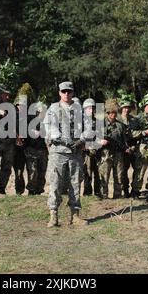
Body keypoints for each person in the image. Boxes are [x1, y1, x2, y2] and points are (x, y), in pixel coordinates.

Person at [44, 81, 87, 227]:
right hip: (58, 152)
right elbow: (48, 128)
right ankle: (53, 215)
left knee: (75, 183)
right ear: (59, 93)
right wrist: (62, 139)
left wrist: (81, 140)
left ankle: (75, 216)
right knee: (55, 183)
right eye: (64, 91)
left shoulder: (79, 109)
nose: (66, 94)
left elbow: (88, 127)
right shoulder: (53, 108)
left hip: (75, 152)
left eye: (69, 91)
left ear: (73, 92)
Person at [98, 99, 127, 199]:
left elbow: (124, 140)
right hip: (105, 153)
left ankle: (118, 195)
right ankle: (104, 195)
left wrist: (126, 148)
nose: (113, 114)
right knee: (104, 175)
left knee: (119, 175)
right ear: (107, 113)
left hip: (118, 153)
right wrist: (101, 141)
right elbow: (94, 138)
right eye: (111, 112)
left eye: (115, 112)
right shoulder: (100, 124)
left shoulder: (120, 125)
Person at [24, 101, 48, 195]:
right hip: (32, 149)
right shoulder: (30, 120)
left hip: (43, 150)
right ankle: (31, 190)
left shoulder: (47, 122)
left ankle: (39, 190)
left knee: (42, 171)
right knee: (33, 171)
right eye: (41, 111)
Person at [82, 98, 101, 197]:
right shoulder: (81, 122)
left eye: (93, 108)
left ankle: (97, 192)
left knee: (97, 173)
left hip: (97, 150)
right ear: (84, 109)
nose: (91, 110)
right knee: (87, 173)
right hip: (86, 151)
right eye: (88, 108)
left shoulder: (98, 121)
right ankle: (87, 193)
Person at [118, 98, 137, 198]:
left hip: (134, 148)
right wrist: (124, 148)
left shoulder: (134, 119)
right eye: (124, 108)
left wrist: (133, 147)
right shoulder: (117, 119)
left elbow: (137, 133)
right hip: (122, 149)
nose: (126, 110)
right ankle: (125, 190)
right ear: (121, 108)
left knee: (137, 169)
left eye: (128, 108)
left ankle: (135, 190)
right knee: (123, 171)